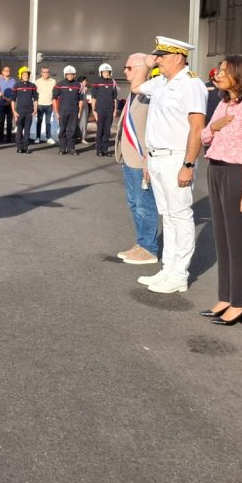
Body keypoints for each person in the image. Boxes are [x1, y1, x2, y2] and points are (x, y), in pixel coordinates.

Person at [129, 36, 208, 294]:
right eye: (157, 56)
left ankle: (179, 275)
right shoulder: (162, 82)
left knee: (180, 217)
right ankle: (168, 269)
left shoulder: (191, 84)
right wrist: (146, 63)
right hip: (157, 158)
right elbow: (136, 87)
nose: (158, 61)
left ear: (178, 57)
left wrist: (188, 164)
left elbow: (197, 127)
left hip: (176, 157)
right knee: (168, 217)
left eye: (161, 56)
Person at [199, 55, 242, 326]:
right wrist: (213, 127)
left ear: (240, 75)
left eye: (224, 71)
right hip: (216, 169)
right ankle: (224, 297)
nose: (218, 74)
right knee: (222, 239)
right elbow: (204, 136)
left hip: (237, 174)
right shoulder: (224, 103)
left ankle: (239, 303)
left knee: (238, 241)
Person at [114, 53, 160, 265]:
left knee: (144, 205)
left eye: (129, 68)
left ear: (144, 68)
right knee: (135, 204)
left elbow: (152, 130)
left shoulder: (150, 93)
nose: (125, 71)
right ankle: (142, 243)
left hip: (142, 160)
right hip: (129, 158)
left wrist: (147, 162)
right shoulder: (134, 93)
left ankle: (149, 248)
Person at [52, 66, 83, 155]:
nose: (70, 76)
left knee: (72, 130)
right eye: (68, 74)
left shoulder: (78, 85)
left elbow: (81, 99)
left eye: (71, 74)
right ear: (65, 75)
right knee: (62, 130)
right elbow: (54, 98)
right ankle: (62, 148)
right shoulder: (60, 84)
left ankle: (71, 148)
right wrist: (56, 112)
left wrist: (79, 112)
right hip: (63, 111)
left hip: (74, 111)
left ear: (74, 75)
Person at [90, 63, 119, 156]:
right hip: (100, 110)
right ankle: (99, 150)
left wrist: (115, 111)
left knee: (107, 131)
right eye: (104, 72)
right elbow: (93, 98)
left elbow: (115, 98)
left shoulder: (113, 82)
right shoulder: (96, 82)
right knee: (100, 131)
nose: (106, 74)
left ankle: (105, 150)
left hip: (110, 110)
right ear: (101, 72)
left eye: (108, 72)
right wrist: (94, 112)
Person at [12, 66, 38, 153]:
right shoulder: (17, 86)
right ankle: (19, 147)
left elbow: (35, 98)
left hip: (29, 111)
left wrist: (35, 109)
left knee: (27, 129)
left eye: (27, 74)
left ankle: (25, 147)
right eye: (24, 74)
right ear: (20, 75)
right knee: (19, 129)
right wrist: (14, 111)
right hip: (19, 111)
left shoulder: (32, 86)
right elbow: (13, 100)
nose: (26, 76)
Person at [34, 67, 56, 144]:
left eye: (47, 72)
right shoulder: (37, 82)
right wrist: (35, 106)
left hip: (49, 104)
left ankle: (49, 137)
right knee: (39, 122)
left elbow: (55, 93)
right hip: (40, 104)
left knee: (48, 122)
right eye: (44, 72)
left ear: (49, 73)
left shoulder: (53, 81)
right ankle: (37, 137)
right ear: (41, 73)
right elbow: (35, 95)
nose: (46, 73)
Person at [0, 66, 16, 142]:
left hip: (11, 103)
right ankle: (1, 137)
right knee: (2, 121)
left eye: (8, 70)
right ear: (2, 72)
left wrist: (10, 100)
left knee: (10, 121)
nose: (7, 72)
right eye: (5, 70)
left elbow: (14, 92)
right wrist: (5, 98)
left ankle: (9, 137)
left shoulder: (13, 81)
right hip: (2, 103)